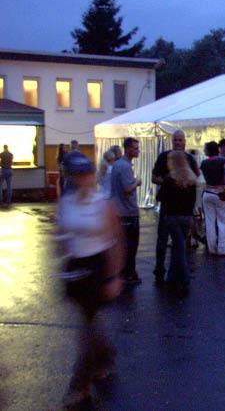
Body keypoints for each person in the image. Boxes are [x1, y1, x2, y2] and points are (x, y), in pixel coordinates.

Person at [56, 152, 124, 408]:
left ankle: (80, 386)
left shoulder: (103, 204)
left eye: (86, 174)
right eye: (77, 176)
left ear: (92, 176)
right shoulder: (67, 202)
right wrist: (60, 247)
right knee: (90, 323)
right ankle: (106, 357)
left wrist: (114, 276)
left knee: (87, 328)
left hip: (98, 267)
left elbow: (116, 241)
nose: (82, 180)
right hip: (76, 268)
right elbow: (61, 235)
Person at [151, 130, 199, 283]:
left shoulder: (190, 159)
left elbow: (195, 179)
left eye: (180, 140)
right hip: (170, 207)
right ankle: (163, 270)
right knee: (166, 240)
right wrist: (172, 184)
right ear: (172, 141)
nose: (178, 142)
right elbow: (154, 178)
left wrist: (173, 184)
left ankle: (176, 275)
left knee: (178, 243)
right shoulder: (164, 157)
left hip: (178, 209)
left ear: (184, 141)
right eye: (175, 140)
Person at [157, 151, 197, 294]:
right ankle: (172, 276)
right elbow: (193, 200)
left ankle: (184, 278)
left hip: (172, 216)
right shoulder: (191, 178)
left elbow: (160, 197)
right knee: (178, 245)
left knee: (178, 246)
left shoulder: (169, 179)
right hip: (186, 216)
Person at [110, 137, 142, 284]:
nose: (138, 151)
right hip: (127, 212)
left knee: (124, 246)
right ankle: (128, 274)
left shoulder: (118, 164)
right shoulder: (125, 166)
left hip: (120, 210)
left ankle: (124, 273)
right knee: (131, 246)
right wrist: (137, 182)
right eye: (135, 148)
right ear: (128, 149)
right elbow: (127, 189)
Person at [200, 141, 225, 256]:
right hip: (220, 193)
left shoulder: (203, 163)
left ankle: (212, 248)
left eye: (205, 149)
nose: (204, 150)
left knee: (209, 221)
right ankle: (223, 248)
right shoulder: (222, 161)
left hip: (207, 193)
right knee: (223, 221)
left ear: (208, 151)